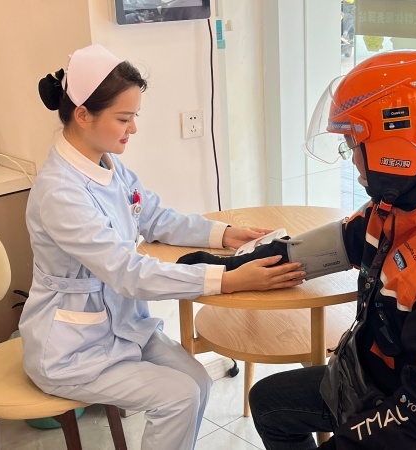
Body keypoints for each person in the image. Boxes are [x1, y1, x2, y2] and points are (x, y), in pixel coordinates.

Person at [180, 50, 416, 449]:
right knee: (268, 402)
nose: (351, 161)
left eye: (353, 144)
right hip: (377, 376)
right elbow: (339, 242)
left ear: (395, 146)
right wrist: (227, 268)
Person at [18, 44, 306, 450]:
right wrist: (228, 280)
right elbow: (127, 273)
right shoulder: (59, 192)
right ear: (83, 115)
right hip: (72, 349)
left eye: (134, 116)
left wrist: (223, 234)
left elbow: (153, 216)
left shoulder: (107, 164)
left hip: (122, 328)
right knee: (179, 396)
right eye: (124, 118)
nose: (133, 128)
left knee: (198, 380)